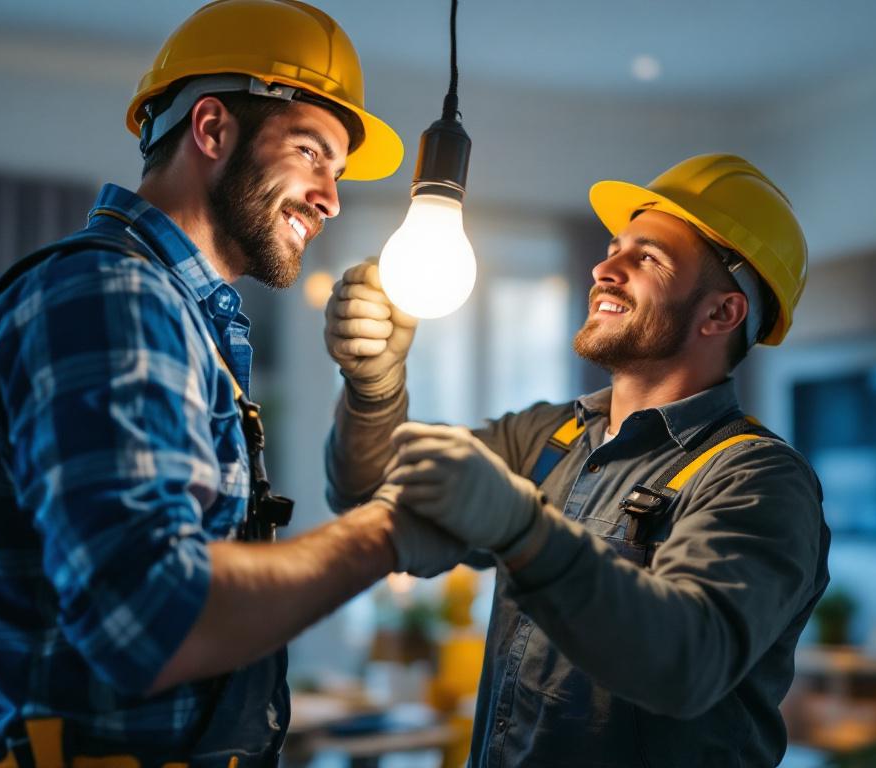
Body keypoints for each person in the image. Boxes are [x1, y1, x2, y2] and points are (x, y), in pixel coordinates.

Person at [0, 2, 459, 766]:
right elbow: (150, 617)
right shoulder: (115, 298)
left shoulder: (177, 315)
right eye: (312, 154)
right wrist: (386, 534)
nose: (331, 198)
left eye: (337, 172)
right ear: (211, 130)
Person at [324, 153, 832, 767]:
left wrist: (525, 532)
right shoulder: (551, 437)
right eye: (615, 247)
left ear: (722, 312)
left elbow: (688, 665)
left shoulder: (758, 481)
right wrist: (372, 389)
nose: (603, 267)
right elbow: (369, 495)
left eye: (646, 258)